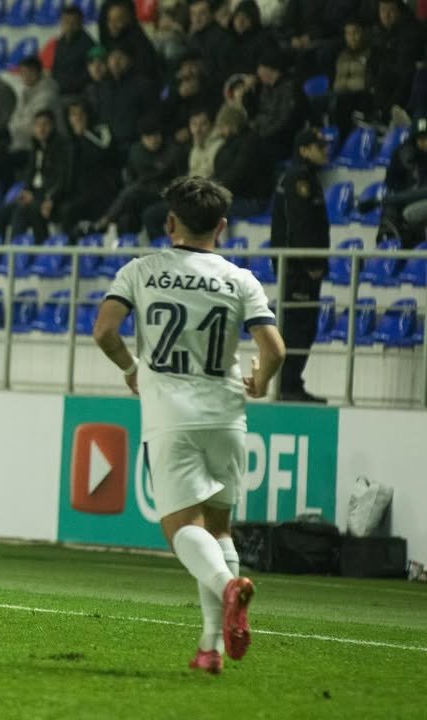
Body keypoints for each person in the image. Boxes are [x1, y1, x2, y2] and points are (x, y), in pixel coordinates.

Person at [93, 175, 286, 674]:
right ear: (221, 227)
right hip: (226, 414)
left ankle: (228, 587)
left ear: (170, 222)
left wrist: (132, 369)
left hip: (172, 415)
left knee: (180, 526)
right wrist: (261, 380)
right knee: (219, 528)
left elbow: (105, 331)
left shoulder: (141, 270)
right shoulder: (240, 279)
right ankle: (210, 648)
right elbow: (275, 350)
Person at [271, 128, 330, 404]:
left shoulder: (304, 176)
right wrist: (311, 263)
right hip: (299, 269)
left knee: (303, 327)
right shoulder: (299, 178)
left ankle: (291, 383)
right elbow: (301, 224)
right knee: (298, 327)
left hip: (299, 268)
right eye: (319, 146)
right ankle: (288, 385)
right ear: (304, 150)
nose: (325, 151)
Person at [93, 115, 187, 234]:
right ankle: (116, 234)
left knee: (134, 197)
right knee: (127, 211)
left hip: (165, 192)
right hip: (143, 191)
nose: (153, 140)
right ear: (142, 138)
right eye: (148, 137)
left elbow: (180, 179)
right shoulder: (136, 152)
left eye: (155, 135)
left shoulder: (173, 150)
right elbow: (130, 175)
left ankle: (105, 221)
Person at [144, 105, 225, 239]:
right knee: (150, 214)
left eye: (203, 124)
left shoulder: (219, 147)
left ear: (211, 125)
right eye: (194, 124)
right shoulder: (193, 148)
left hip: (205, 200)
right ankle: (165, 248)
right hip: (191, 198)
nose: (198, 130)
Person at [0, 110, 70, 245]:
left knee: (21, 211)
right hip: (33, 196)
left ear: (53, 126)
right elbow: (30, 176)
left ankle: (18, 252)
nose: (41, 129)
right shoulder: (35, 148)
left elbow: (61, 180)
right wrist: (26, 191)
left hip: (50, 198)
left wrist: (41, 196)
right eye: (38, 125)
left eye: (45, 124)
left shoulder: (61, 149)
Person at [60, 97, 120, 236]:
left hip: (104, 191)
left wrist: (85, 135)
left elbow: (105, 155)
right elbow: (68, 172)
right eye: (73, 115)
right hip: (79, 194)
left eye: (81, 113)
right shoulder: (68, 141)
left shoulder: (102, 131)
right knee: (65, 210)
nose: (78, 118)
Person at [367, 0, 424, 126]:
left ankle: (390, 115)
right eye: (382, 10)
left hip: (404, 80)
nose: (386, 15)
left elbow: (405, 66)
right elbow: (372, 63)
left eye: (391, 11)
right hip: (387, 81)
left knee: (394, 75)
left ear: (399, 11)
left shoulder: (411, 30)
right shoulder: (379, 32)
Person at [212, 104, 273, 219]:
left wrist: (214, 189)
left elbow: (238, 174)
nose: (219, 130)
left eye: (222, 126)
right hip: (235, 196)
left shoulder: (251, 143)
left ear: (231, 124)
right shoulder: (230, 143)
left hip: (252, 199)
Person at [373, 117, 427, 248]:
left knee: (407, 212)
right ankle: (391, 244)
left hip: (420, 201)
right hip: (407, 201)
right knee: (392, 210)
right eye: (422, 139)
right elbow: (392, 183)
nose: (425, 143)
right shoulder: (403, 156)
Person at [253, 49, 308, 162]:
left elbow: (285, 122)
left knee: (252, 149)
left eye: (261, 67)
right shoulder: (266, 89)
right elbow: (262, 114)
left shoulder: (290, 88)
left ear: (272, 69)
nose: (258, 72)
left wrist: (262, 135)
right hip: (268, 136)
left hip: (285, 141)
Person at [8, 55, 61, 154]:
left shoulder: (47, 94)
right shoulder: (25, 91)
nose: (25, 76)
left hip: (42, 146)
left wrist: (14, 128)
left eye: (29, 72)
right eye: (22, 73)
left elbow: (35, 126)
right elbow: (14, 118)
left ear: (38, 72)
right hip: (22, 142)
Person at [331, 19, 373, 137]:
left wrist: (347, 84)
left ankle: (344, 139)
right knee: (317, 102)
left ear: (362, 34)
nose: (352, 38)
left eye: (355, 33)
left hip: (363, 95)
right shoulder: (342, 56)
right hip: (344, 94)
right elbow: (337, 83)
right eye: (348, 34)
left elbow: (365, 83)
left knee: (341, 103)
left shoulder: (370, 53)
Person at [52, 4, 96, 97]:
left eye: (73, 22)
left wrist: (67, 87)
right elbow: (56, 68)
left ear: (80, 23)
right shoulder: (60, 42)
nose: (69, 26)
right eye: (66, 22)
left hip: (79, 93)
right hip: (60, 91)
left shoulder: (88, 44)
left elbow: (89, 74)